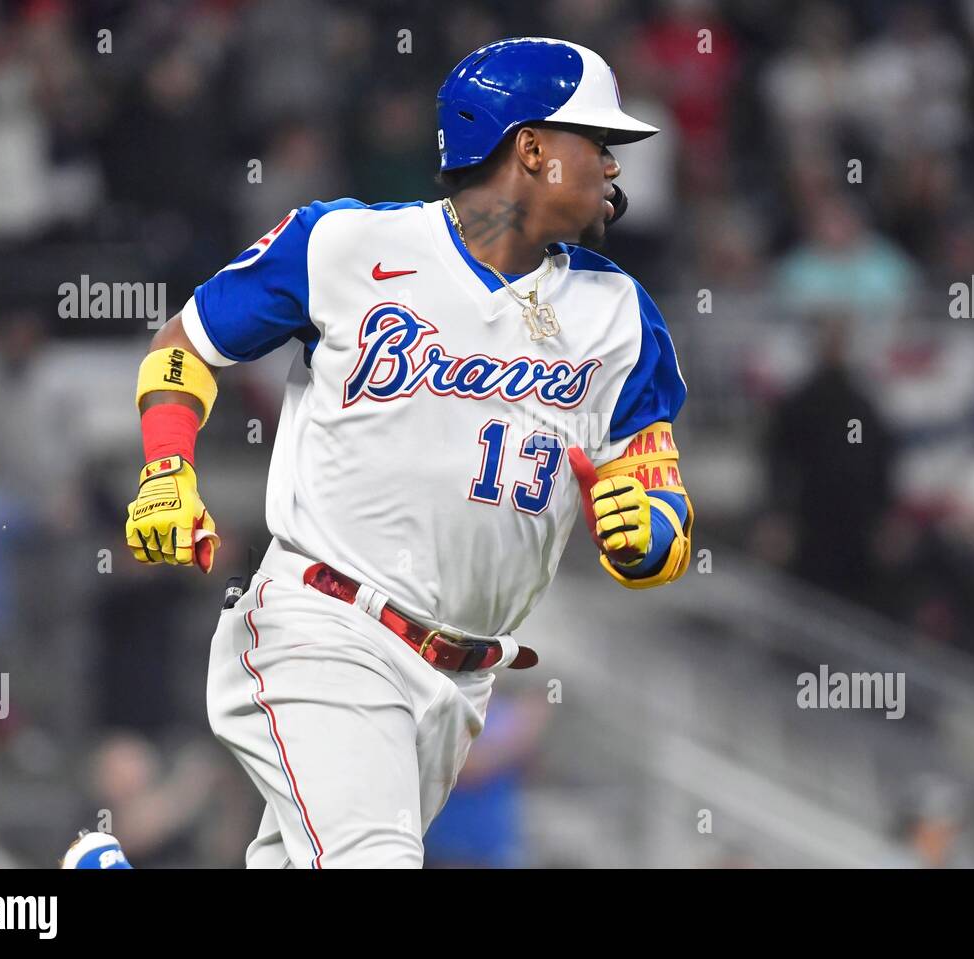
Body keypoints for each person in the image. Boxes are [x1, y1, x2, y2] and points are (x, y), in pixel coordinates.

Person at [122, 37, 694, 868]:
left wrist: (655, 536)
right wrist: (167, 466)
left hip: (461, 679)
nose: (612, 168)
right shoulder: (345, 246)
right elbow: (189, 342)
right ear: (530, 148)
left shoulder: (621, 316)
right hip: (325, 625)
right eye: (596, 144)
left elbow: (661, 491)